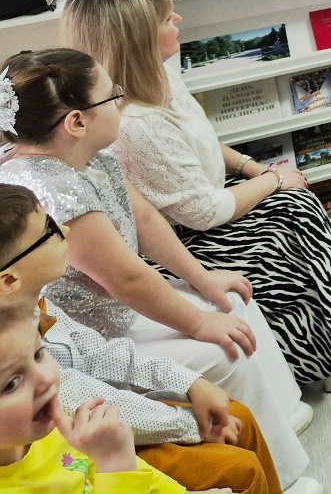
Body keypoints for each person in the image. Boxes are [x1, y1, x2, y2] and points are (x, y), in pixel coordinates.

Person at [61, 0, 331, 392]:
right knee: (286, 226)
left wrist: (253, 168)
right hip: (182, 240)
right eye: (166, 18)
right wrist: (273, 179)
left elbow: (202, 141)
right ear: (138, 39)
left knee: (296, 204)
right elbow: (202, 213)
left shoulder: (161, 77)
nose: (177, 20)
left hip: (200, 204)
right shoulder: (136, 125)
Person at [0, 49, 312, 488]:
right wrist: (198, 322)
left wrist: (202, 280)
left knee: (231, 303)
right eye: (112, 96)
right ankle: (282, 469)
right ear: (76, 122)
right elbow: (126, 280)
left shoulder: (94, 154)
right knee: (222, 349)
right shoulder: (48, 188)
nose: (121, 102)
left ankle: (279, 418)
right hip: (104, 321)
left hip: (110, 315)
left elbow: (144, 219)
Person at [0, 183, 310, 494]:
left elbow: (98, 352)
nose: (64, 231)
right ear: (9, 279)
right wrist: (191, 426)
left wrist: (190, 383)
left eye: (39, 355)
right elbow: (79, 399)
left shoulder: (37, 306)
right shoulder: (14, 344)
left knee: (236, 414)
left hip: (103, 429)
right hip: (102, 435)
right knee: (240, 466)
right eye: (48, 231)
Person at [0, 305, 232, 493]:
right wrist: (114, 462)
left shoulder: (47, 431)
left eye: (38, 354)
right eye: (11, 384)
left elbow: (141, 477)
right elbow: (120, 469)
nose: (46, 378)